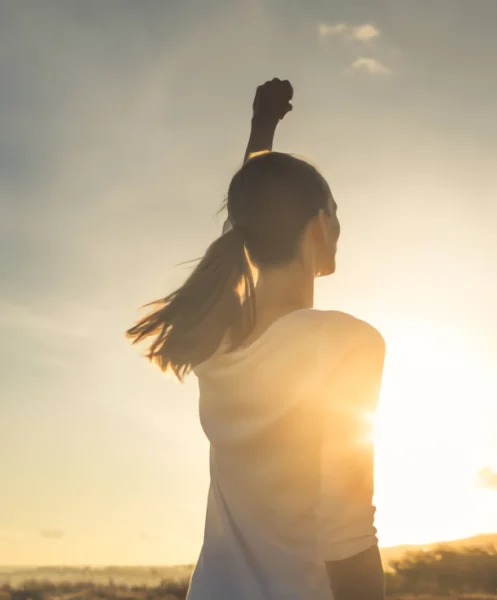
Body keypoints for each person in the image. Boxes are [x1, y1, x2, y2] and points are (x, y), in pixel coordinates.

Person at [127, 79, 386, 600]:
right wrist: (260, 130)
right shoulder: (348, 343)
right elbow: (347, 531)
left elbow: (250, 219)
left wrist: (261, 129)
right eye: (335, 211)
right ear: (318, 224)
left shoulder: (218, 346)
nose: (340, 225)